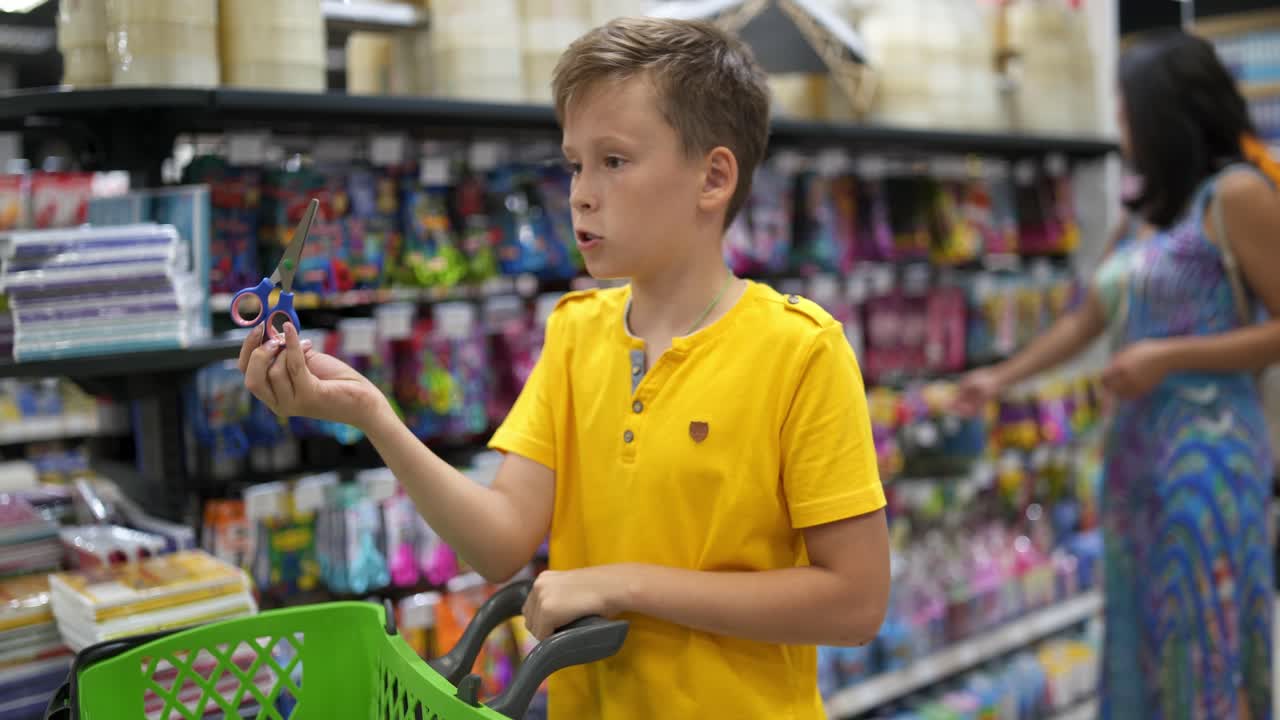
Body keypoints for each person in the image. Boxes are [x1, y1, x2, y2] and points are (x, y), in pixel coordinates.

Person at [238, 17, 890, 719]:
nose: (580, 192)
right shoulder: (576, 335)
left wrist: (624, 585)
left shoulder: (800, 351)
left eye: (614, 160)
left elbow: (854, 602)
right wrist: (370, 415)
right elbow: (500, 542)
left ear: (714, 176)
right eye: (575, 163)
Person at [954, 29, 1280, 720]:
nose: (1121, 125)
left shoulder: (1238, 196)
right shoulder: (1144, 214)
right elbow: (1084, 319)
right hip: (1136, 459)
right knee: (1140, 627)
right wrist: (1000, 378)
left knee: (1205, 626)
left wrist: (1171, 354)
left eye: (1127, 110)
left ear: (1166, 114)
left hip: (1209, 457)